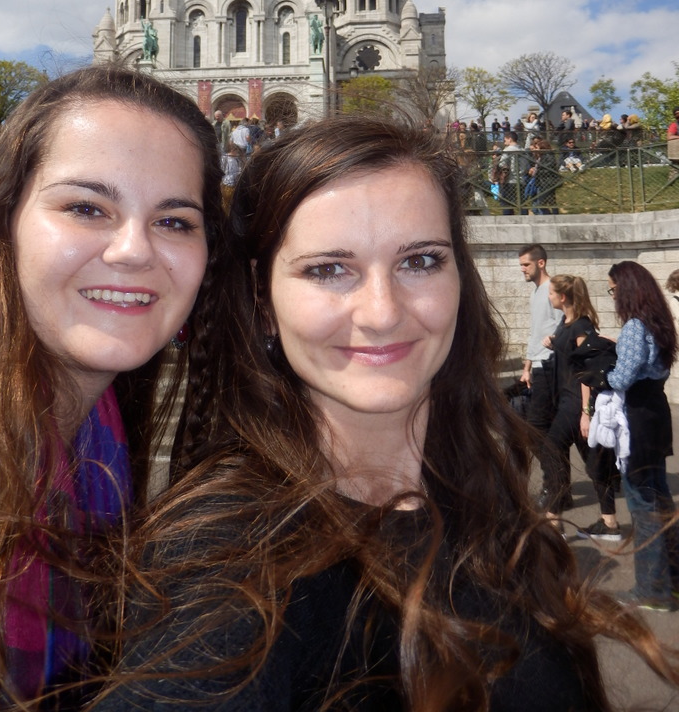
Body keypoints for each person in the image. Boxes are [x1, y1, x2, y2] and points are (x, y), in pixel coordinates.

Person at [94, 117, 677, 712]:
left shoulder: (482, 489)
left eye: (420, 261)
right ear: (262, 300)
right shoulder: (225, 554)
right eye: (328, 269)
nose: (382, 312)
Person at [0, 65, 224, 711]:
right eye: (86, 208)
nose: (133, 250)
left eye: (174, 221)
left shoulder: (103, 424)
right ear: (3, 219)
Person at [605, 261, 679, 612]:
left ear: (627, 289)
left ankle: (652, 590)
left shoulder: (635, 326)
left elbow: (622, 378)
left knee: (642, 505)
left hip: (638, 418)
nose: (612, 295)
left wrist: (602, 374)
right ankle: (672, 580)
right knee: (660, 500)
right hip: (656, 413)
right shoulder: (658, 322)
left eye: (613, 289)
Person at [541, 276, 621, 541]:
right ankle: (609, 522)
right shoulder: (567, 324)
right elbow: (571, 356)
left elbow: (588, 371)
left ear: (562, 297)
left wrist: (586, 413)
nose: (549, 297)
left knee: (551, 448)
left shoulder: (581, 327)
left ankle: (553, 522)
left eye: (551, 293)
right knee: (595, 462)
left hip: (576, 403)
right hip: (567, 401)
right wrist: (554, 341)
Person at [517, 246, 563, 506]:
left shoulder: (552, 289)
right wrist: (527, 366)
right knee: (546, 429)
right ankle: (560, 487)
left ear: (541, 263)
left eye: (526, 264)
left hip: (550, 366)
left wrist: (552, 345)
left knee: (536, 428)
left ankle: (553, 487)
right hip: (537, 366)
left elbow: (564, 324)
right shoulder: (536, 292)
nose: (522, 269)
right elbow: (535, 333)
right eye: (521, 265)